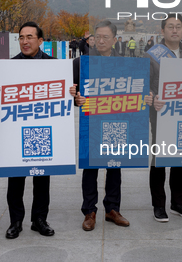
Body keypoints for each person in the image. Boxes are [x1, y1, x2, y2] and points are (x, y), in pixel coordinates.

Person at [0, 21, 77, 240]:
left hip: (43, 128)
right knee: (15, 178)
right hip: (16, 129)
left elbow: (70, 97)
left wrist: (70, 91)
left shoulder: (55, 66)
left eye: (29, 37)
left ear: (40, 41)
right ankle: (15, 221)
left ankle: (39, 220)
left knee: (42, 177)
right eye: (21, 37)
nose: (25, 41)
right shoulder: (9, 66)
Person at [73, 20, 129, 231]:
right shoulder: (82, 63)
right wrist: (75, 99)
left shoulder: (124, 63)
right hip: (91, 122)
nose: (101, 40)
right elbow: (69, 89)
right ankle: (89, 211)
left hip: (115, 122)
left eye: (106, 37)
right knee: (90, 167)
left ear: (114, 40)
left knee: (114, 166)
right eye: (98, 37)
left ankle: (112, 209)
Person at [146, 14, 182, 222]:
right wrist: (151, 97)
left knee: (181, 158)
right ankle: (159, 205)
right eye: (170, 27)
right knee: (159, 159)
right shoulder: (151, 55)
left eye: (178, 27)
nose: (174, 30)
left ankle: (178, 202)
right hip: (161, 113)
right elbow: (144, 85)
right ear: (162, 31)